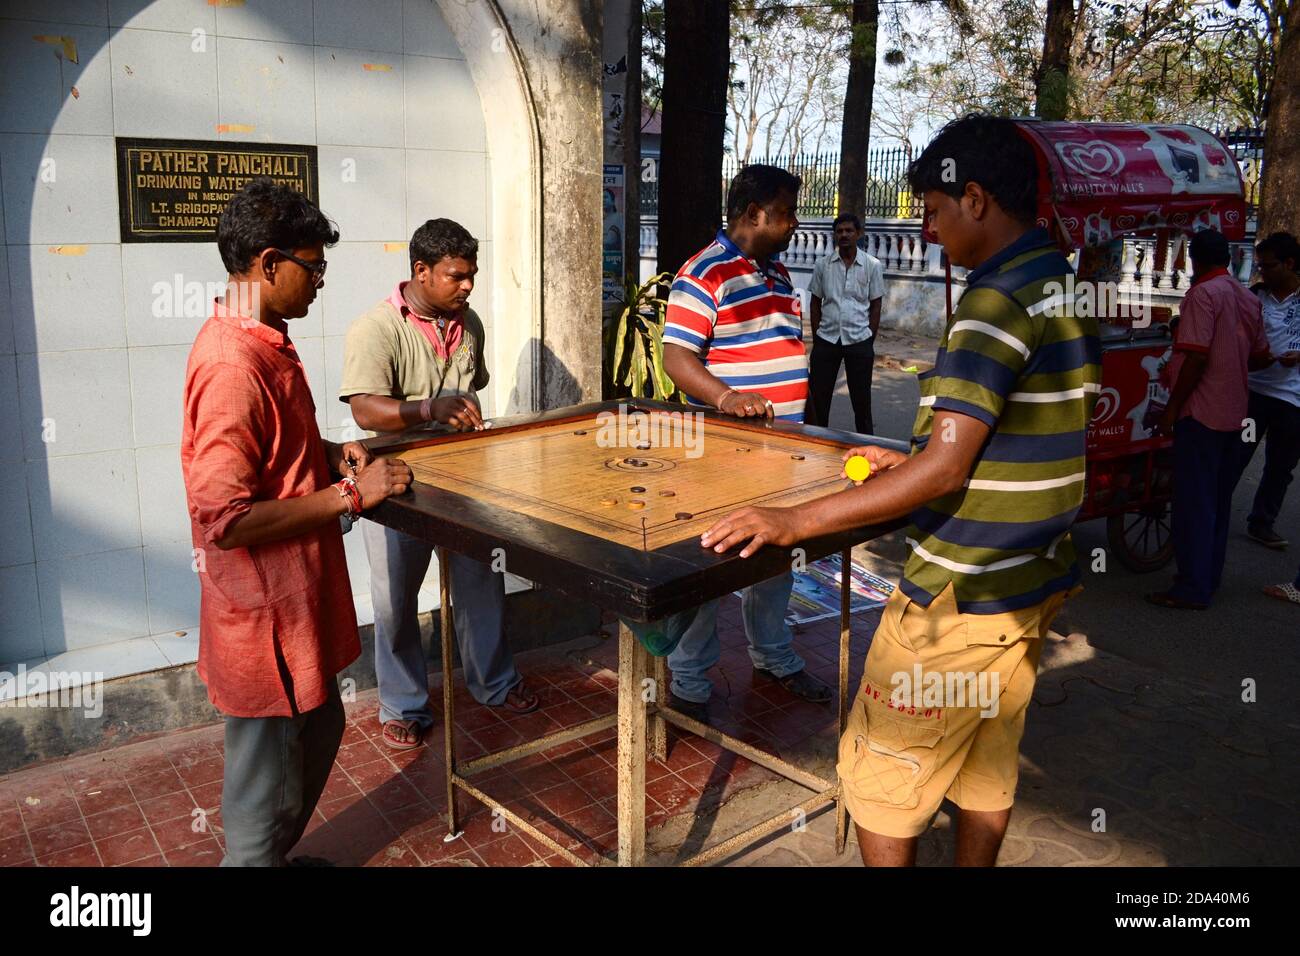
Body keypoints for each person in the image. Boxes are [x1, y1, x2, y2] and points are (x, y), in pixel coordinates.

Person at [696, 115, 1100, 866]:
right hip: (1031, 578)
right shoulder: (1058, 283)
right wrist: (911, 457)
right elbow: (1001, 433)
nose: (927, 230)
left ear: (975, 199)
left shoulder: (994, 303)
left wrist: (792, 521)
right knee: (984, 757)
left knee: (883, 779)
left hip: (960, 594)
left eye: (934, 211)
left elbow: (946, 471)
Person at [181, 178, 413, 866]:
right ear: (269, 263)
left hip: (294, 610)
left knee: (319, 731)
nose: (318, 282)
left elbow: (271, 450)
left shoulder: (265, 337)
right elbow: (225, 517)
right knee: (263, 796)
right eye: (313, 268)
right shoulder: (231, 365)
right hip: (264, 624)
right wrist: (350, 495)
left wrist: (328, 452)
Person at [340, 218, 538, 751]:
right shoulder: (375, 328)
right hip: (394, 483)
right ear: (420, 272)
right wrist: (428, 408)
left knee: (481, 583)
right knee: (395, 602)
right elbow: (364, 408)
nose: (468, 286)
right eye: (456, 276)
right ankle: (403, 704)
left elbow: (472, 388)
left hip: (465, 480)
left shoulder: (467, 320)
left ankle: (495, 682)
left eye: (471, 275)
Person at [660, 163, 832, 722]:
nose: (794, 222)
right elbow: (677, 357)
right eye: (786, 211)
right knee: (712, 564)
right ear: (754, 213)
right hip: (719, 458)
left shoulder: (777, 272)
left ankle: (774, 655)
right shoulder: (704, 272)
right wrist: (726, 397)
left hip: (780, 453)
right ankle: (688, 682)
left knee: (775, 555)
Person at [1147, 229, 1284, 610]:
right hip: (1234, 409)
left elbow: (1196, 357)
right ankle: (1208, 577)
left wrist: (1171, 408)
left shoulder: (1202, 295)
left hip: (1202, 411)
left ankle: (1191, 586)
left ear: (1194, 261)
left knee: (1194, 500)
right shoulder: (1245, 296)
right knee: (1218, 499)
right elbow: (1258, 355)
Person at [1239, 232, 1300, 550]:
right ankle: (1216, 508)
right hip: (1252, 392)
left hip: (1292, 397)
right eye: (1259, 265)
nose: (1262, 271)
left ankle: (1262, 522)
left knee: (1280, 464)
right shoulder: (1255, 297)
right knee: (1237, 454)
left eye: (1268, 265)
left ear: (1290, 263)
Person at [807, 212, 885, 433]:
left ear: (858, 234)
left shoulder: (872, 265)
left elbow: (876, 305)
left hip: (859, 340)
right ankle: (816, 445)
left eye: (849, 231)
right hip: (827, 339)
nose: (844, 235)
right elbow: (815, 303)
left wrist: (869, 338)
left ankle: (867, 446)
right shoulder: (823, 265)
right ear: (835, 235)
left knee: (862, 402)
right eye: (839, 231)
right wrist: (817, 337)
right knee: (818, 401)